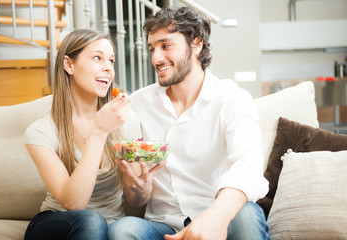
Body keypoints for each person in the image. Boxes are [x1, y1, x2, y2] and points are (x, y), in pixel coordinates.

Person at [109, 6, 271, 240]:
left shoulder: (231, 99)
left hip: (219, 217)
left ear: (196, 44)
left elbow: (248, 166)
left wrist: (215, 217)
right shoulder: (138, 104)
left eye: (166, 46)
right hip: (163, 225)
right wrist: (139, 190)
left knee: (245, 215)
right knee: (123, 230)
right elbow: (135, 200)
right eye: (152, 48)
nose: (156, 58)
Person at [23, 29, 141, 240]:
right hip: (58, 224)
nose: (108, 68)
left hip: (112, 226)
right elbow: (74, 204)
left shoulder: (127, 120)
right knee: (91, 221)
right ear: (69, 65)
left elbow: (134, 202)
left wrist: (142, 185)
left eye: (111, 61)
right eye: (97, 58)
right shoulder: (40, 131)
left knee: (121, 228)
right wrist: (99, 131)